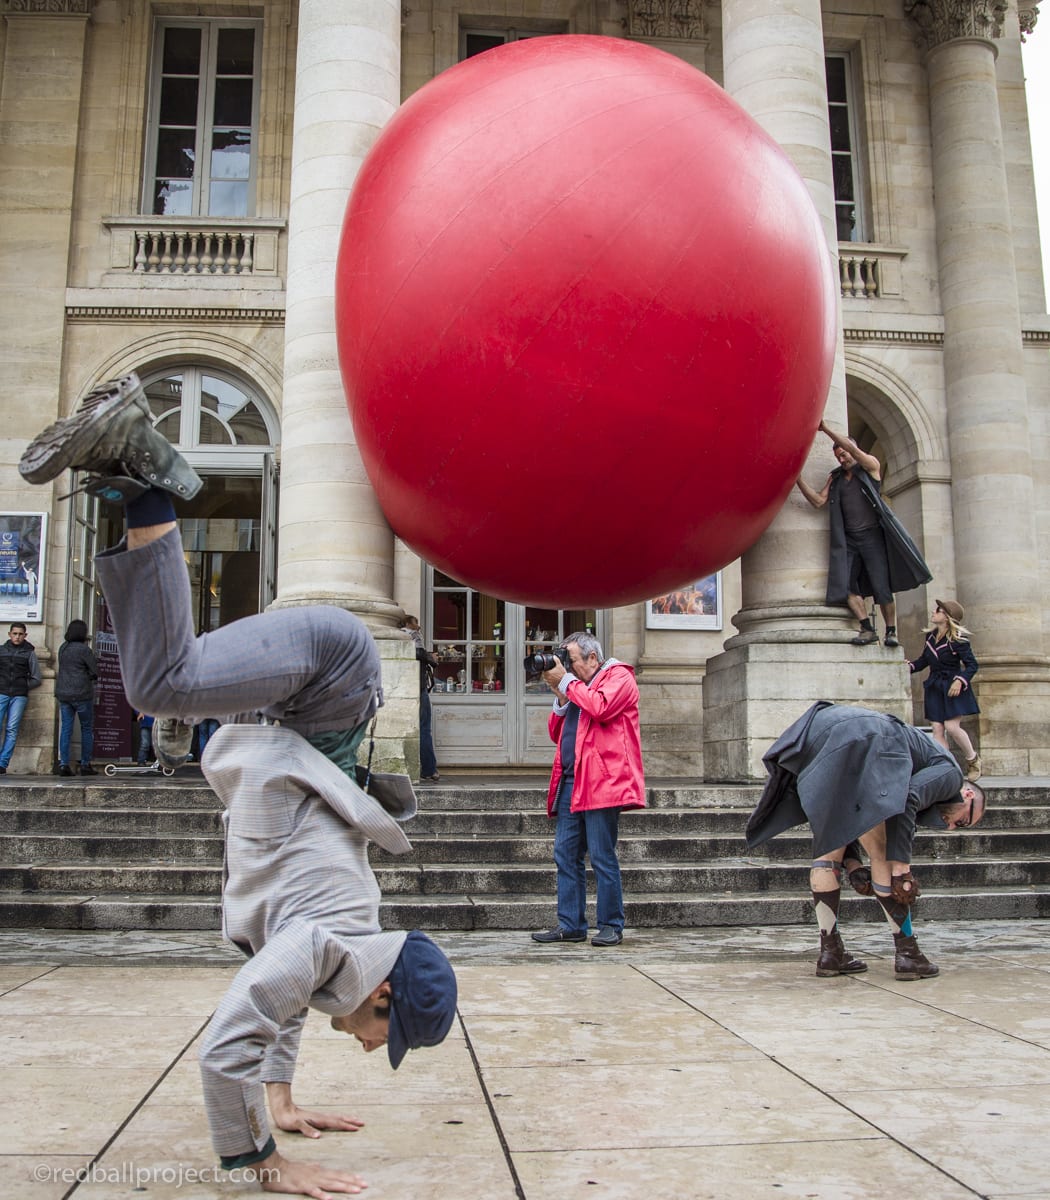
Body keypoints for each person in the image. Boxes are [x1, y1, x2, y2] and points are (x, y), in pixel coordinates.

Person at [19, 372, 458, 1197]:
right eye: (383, 1033)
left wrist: (281, 1101)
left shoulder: (333, 947)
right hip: (331, 675)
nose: (370, 1049)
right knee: (161, 686)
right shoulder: (323, 939)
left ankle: (131, 480)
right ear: (384, 989)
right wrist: (260, 1162)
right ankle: (153, 480)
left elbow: (285, 1001)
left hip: (317, 698)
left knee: (161, 682)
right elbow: (229, 1042)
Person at [746, 701, 986, 982]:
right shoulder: (952, 774)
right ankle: (907, 954)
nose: (951, 828)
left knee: (827, 853)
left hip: (820, 730)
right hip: (868, 735)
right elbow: (907, 797)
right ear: (968, 796)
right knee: (883, 851)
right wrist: (901, 869)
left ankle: (831, 952)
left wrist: (853, 864)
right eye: (963, 821)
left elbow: (846, 813)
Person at [531, 631, 645, 948]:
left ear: (592, 658)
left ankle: (611, 924)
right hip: (571, 780)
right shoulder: (579, 688)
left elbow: (602, 708)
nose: (567, 667)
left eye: (572, 660)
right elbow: (557, 733)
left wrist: (568, 683)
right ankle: (571, 925)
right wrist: (561, 697)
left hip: (601, 782)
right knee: (565, 854)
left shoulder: (618, 677)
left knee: (601, 855)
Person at [796, 420, 931, 647]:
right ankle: (867, 628)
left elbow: (854, 452)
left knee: (882, 588)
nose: (842, 458)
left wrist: (827, 430)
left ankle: (891, 631)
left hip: (872, 538)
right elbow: (819, 501)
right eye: (838, 456)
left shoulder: (870, 468)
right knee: (844, 586)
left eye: (844, 454)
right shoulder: (836, 478)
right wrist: (797, 479)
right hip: (849, 541)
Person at [908, 598, 982, 782]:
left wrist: (960, 680)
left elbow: (972, 665)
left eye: (938, 610)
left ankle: (973, 760)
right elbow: (924, 661)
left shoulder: (959, 640)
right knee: (937, 728)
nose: (934, 612)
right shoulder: (930, 637)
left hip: (952, 685)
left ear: (947, 617)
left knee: (951, 726)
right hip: (935, 685)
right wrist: (909, 666)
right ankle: (947, 768)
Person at [54, 618, 98, 776]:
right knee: (86, 728)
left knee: (66, 729)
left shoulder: (63, 648)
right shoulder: (84, 650)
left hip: (64, 693)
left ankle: (64, 764)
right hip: (82, 694)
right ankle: (85, 764)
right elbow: (95, 671)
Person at [401, 615, 439, 782]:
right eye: (416, 622)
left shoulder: (399, 635)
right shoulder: (411, 635)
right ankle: (429, 769)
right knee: (424, 729)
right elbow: (417, 653)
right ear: (408, 623)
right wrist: (431, 659)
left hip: (408, 686)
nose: (419, 626)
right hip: (418, 686)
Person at [0, 622, 42, 774]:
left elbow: (37, 677)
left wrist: (23, 686)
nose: (17, 637)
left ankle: (2, 763)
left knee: (12, 728)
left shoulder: (29, 653)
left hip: (19, 695)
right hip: (2, 692)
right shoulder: (2, 650)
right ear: (9, 634)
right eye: (14, 634)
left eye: (20, 634)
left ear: (25, 635)